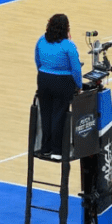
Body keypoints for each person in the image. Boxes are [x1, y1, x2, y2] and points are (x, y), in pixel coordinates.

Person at [33, 14, 82, 161]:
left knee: (46, 115)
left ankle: (45, 148)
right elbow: (76, 69)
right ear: (66, 28)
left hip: (43, 80)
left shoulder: (41, 40)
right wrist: (78, 85)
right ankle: (57, 151)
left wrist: (44, 75)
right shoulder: (69, 45)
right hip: (62, 82)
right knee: (59, 115)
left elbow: (37, 61)